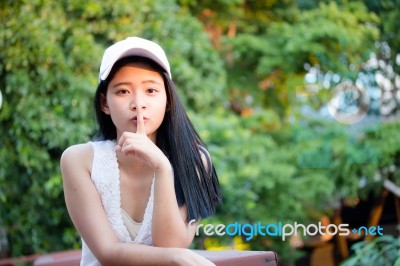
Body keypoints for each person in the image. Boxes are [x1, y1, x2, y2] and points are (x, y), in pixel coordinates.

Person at [61, 36, 222, 266]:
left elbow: (170, 244)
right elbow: (107, 253)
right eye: (123, 91)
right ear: (104, 103)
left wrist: (163, 168)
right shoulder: (80, 161)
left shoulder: (195, 161)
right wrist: (178, 256)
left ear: (168, 100)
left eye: (151, 90)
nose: (138, 103)